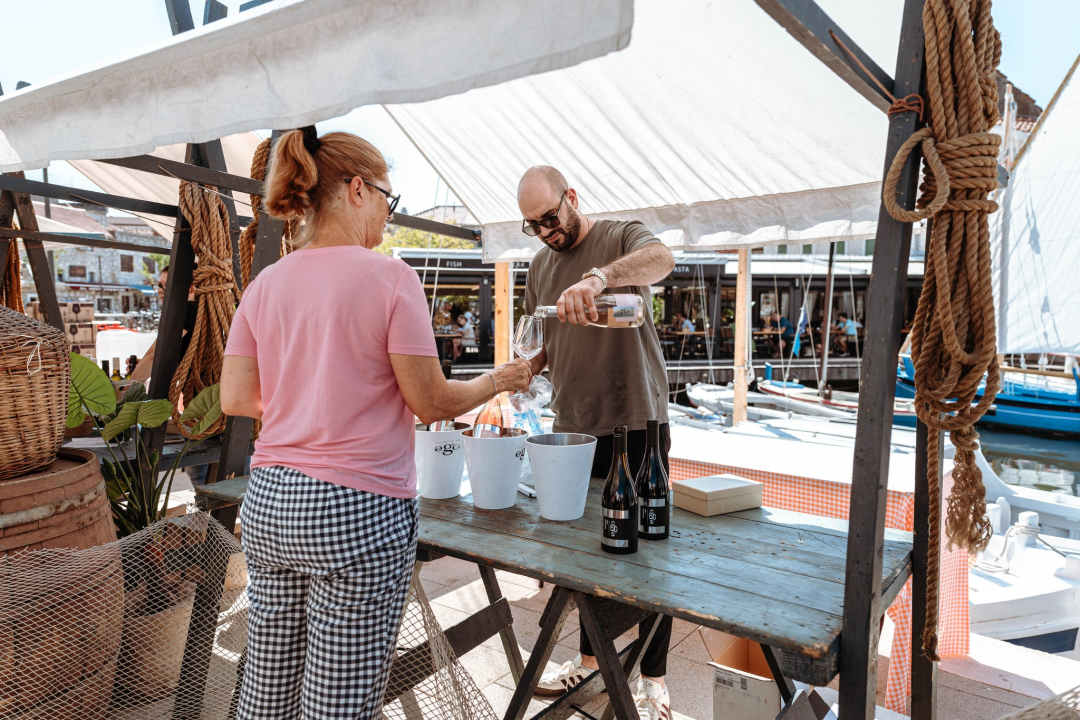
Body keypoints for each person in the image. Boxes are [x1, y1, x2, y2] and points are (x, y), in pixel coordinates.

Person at [220, 128, 531, 720]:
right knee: (337, 705)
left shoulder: (266, 284)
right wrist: (498, 380)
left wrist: (308, 406)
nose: (389, 214)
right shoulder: (391, 278)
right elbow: (431, 402)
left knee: (267, 691)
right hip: (358, 508)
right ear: (357, 189)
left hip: (271, 502)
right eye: (389, 198)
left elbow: (236, 396)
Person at [519, 166, 675, 720]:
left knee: (647, 552)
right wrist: (523, 370)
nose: (545, 231)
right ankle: (590, 663)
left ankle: (654, 681)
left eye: (550, 217)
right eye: (532, 225)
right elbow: (542, 341)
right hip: (575, 426)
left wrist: (598, 280)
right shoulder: (539, 266)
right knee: (587, 551)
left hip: (638, 420)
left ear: (571, 197)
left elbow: (662, 259)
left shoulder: (618, 236)